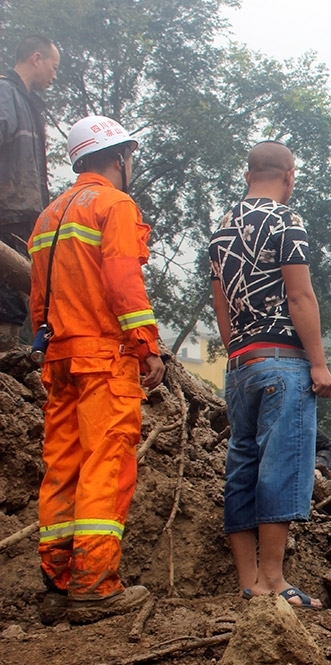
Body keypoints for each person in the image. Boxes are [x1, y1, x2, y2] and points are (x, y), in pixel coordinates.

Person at [29, 115, 161, 624]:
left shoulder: (48, 215)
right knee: (106, 461)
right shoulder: (115, 204)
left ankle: (57, 586)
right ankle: (95, 585)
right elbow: (124, 278)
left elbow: (39, 298)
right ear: (119, 157)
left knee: (62, 466)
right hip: (103, 357)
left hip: (59, 357)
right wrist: (146, 343)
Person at [209, 140, 331, 610]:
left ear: (248, 175)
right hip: (283, 360)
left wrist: (237, 352)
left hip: (241, 364)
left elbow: (220, 302)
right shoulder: (286, 221)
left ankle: (248, 583)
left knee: (241, 466)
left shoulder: (222, 228)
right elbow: (300, 296)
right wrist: (318, 362)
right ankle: (273, 580)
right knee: (281, 464)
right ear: (290, 175)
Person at [0, 35, 59, 348]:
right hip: (7, 214)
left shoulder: (26, 101)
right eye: (53, 65)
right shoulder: (5, 92)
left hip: (24, 214)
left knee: (24, 293)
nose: (54, 74)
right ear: (37, 58)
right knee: (7, 292)